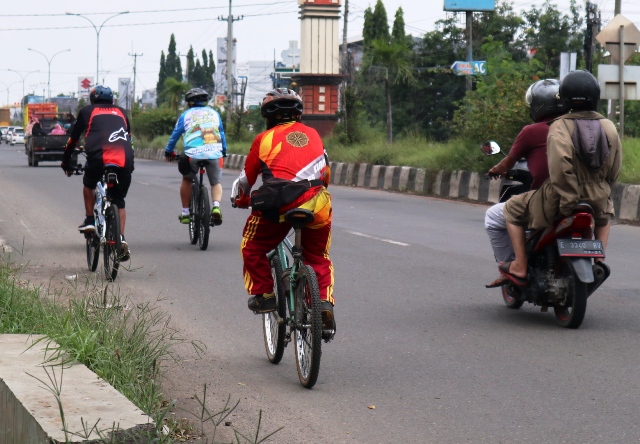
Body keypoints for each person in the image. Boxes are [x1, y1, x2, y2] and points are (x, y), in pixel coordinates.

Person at [498, 70, 622, 285]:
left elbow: (559, 169)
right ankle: (598, 259)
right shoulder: (609, 126)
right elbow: (614, 168)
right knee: (604, 215)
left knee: (511, 208)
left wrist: (568, 200)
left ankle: (519, 264)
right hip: (598, 195)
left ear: (564, 97)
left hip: (561, 197)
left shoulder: (560, 126)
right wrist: (601, 187)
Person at [232, 88, 335, 338]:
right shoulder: (314, 136)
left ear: (267, 117)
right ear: (298, 115)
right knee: (318, 257)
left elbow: (247, 180)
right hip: (318, 203)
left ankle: (265, 296)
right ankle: (323, 304)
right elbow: (326, 175)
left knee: (252, 246)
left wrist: (243, 199)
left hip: (280, 205)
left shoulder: (263, 139)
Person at [484, 79, 563, 287]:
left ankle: (514, 264)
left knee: (495, 215)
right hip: (586, 196)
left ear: (537, 105)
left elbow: (508, 162)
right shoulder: (578, 127)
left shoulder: (531, 131)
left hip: (548, 198)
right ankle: (599, 259)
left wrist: (494, 170)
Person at [61, 85, 135, 261]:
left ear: (92, 100)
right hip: (125, 157)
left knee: (89, 185)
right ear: (112, 101)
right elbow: (128, 137)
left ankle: (89, 221)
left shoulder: (87, 111)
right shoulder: (122, 112)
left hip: (98, 157)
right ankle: (121, 239)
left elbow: (73, 139)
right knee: (119, 201)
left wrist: (66, 162)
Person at [164, 88, 227, 225]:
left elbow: (175, 136)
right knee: (215, 182)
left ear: (189, 103)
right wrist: (223, 151)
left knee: (187, 179)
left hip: (193, 154)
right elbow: (221, 134)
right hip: (214, 152)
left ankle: (186, 213)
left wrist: (168, 151)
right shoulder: (214, 113)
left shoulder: (185, 115)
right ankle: (216, 206)